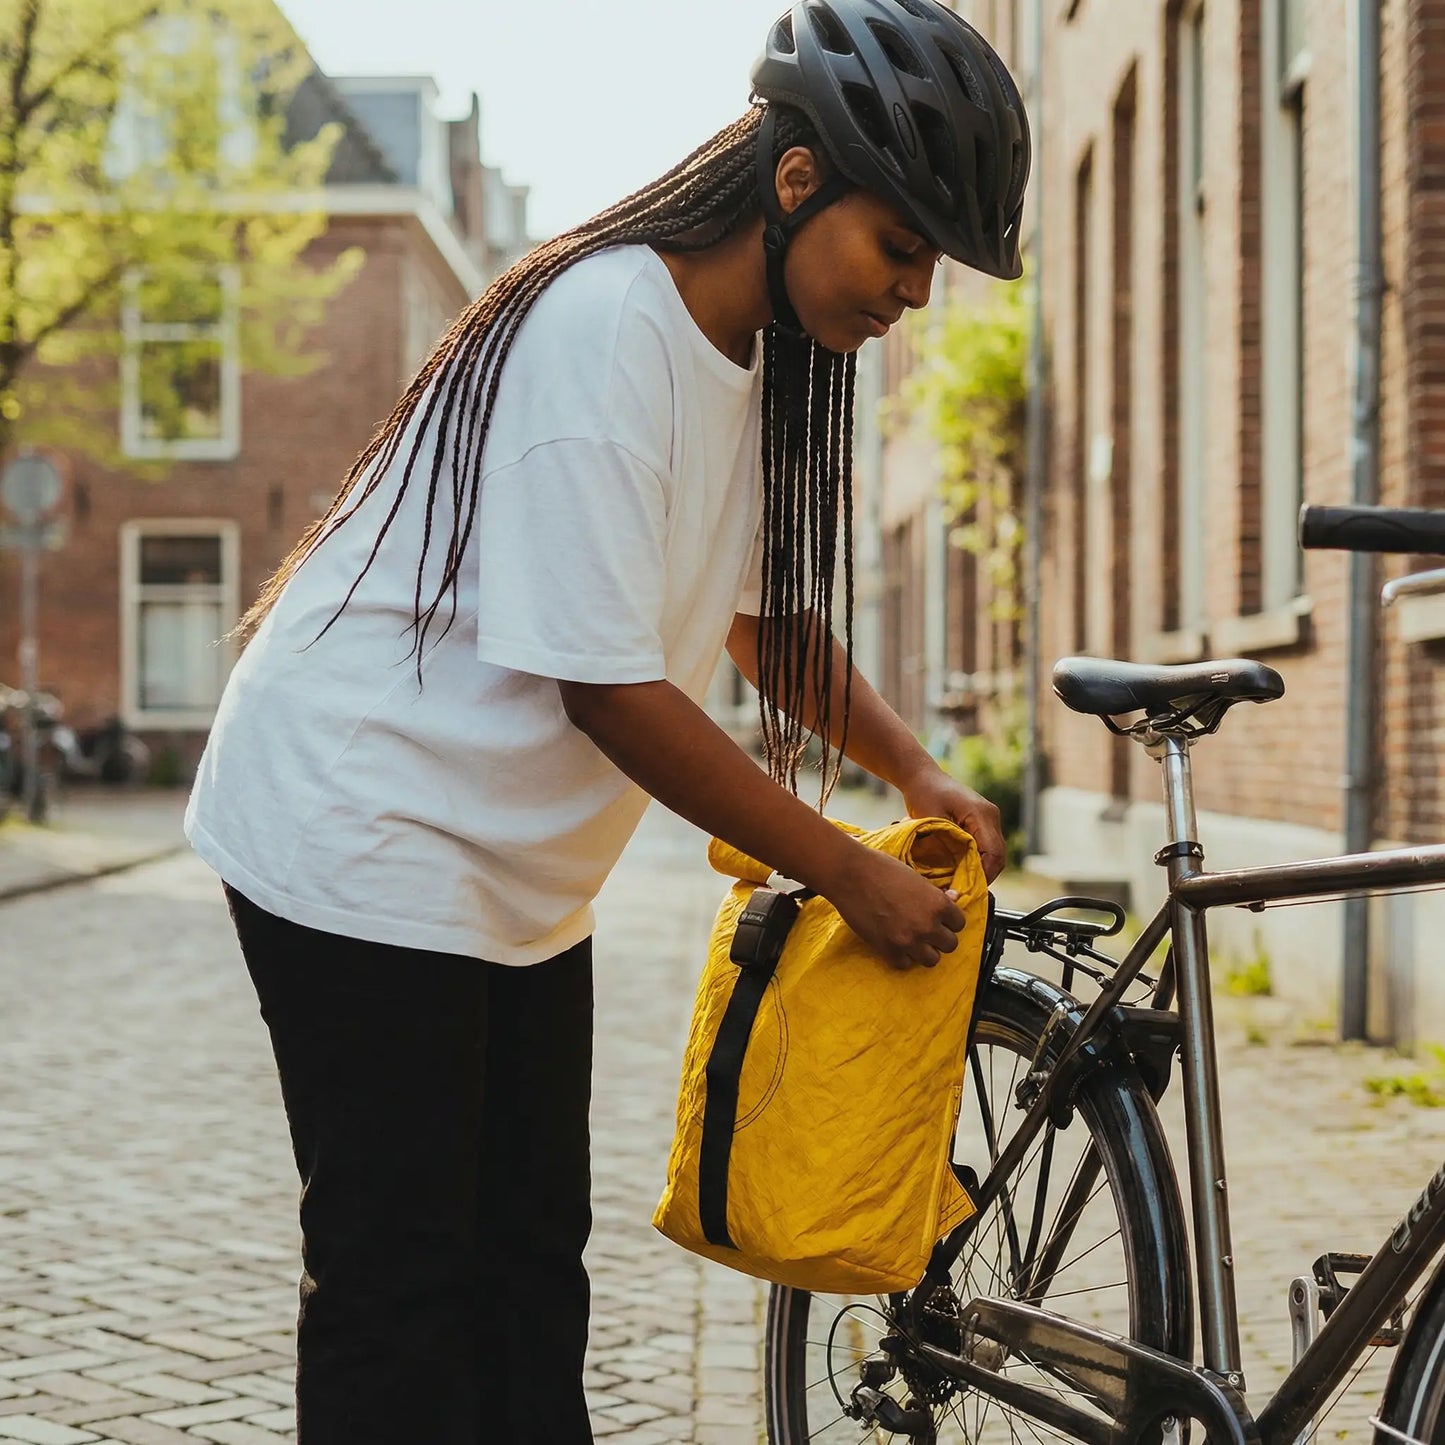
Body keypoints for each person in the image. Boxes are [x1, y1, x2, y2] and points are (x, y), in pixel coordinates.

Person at [184, 1, 1031, 1440]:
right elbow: (611, 689)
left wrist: (911, 763)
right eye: (902, 247)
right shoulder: (601, 330)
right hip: (357, 821)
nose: (916, 296)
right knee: (405, 1283)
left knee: (528, 1268)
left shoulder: (755, 364)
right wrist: (842, 862)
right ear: (795, 181)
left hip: (507, 873)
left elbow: (760, 620)